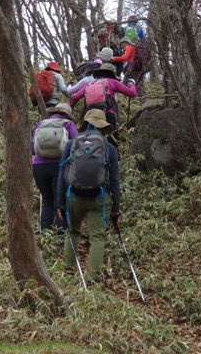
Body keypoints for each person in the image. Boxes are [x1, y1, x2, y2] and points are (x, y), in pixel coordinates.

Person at [57, 108, 121, 282]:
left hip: (74, 196)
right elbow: (114, 180)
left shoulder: (71, 144)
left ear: (85, 124)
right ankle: (92, 278)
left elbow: (62, 174)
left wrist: (60, 203)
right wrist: (116, 209)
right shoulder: (109, 148)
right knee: (97, 237)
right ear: (102, 127)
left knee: (73, 232)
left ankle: (69, 273)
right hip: (99, 198)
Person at [31, 103, 78, 233]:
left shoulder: (40, 124)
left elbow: (32, 148)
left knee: (48, 202)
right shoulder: (68, 124)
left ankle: (45, 234)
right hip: (60, 166)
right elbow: (76, 144)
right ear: (67, 114)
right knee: (60, 202)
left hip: (39, 167)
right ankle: (60, 236)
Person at [69, 63, 136, 132]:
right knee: (111, 139)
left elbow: (75, 97)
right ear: (112, 74)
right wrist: (132, 84)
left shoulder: (90, 83)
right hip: (108, 115)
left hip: (90, 116)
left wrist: (69, 111)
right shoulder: (113, 82)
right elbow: (132, 93)